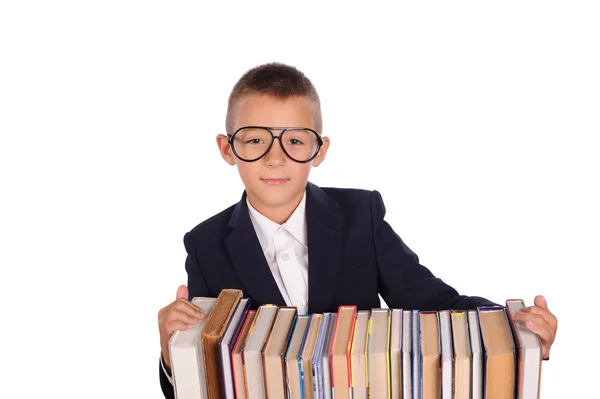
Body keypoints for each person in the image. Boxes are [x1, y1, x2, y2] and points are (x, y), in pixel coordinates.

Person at [157, 62, 557, 398]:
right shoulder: (206, 245)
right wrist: (169, 350)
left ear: (320, 149)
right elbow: (205, 373)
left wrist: (514, 327)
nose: (275, 158)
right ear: (228, 149)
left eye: (295, 141)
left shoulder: (359, 215)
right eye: (255, 139)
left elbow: (436, 303)